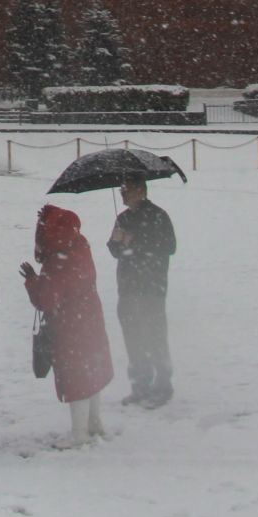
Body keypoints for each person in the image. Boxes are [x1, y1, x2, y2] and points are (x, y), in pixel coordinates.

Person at [20, 203, 113, 446]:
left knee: (76, 378)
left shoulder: (58, 259)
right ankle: (95, 423)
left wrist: (32, 281)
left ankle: (80, 435)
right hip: (90, 318)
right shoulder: (81, 246)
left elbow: (46, 300)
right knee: (91, 371)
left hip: (70, 326)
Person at [107, 172, 176, 407]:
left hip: (151, 287)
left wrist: (134, 241)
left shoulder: (158, 216)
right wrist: (117, 242)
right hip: (127, 287)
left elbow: (169, 246)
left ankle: (163, 385)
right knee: (133, 338)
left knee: (155, 336)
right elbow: (114, 250)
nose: (122, 194)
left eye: (126, 190)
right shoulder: (123, 218)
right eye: (121, 191)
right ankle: (140, 384)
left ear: (140, 190)